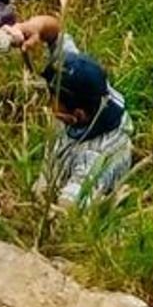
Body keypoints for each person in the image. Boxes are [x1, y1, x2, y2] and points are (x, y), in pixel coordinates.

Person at [16, 13, 135, 207]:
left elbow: (68, 207)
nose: (48, 102)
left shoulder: (94, 158)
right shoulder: (89, 83)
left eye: (54, 100)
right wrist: (34, 27)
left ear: (77, 115)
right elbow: (54, 32)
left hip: (75, 198)